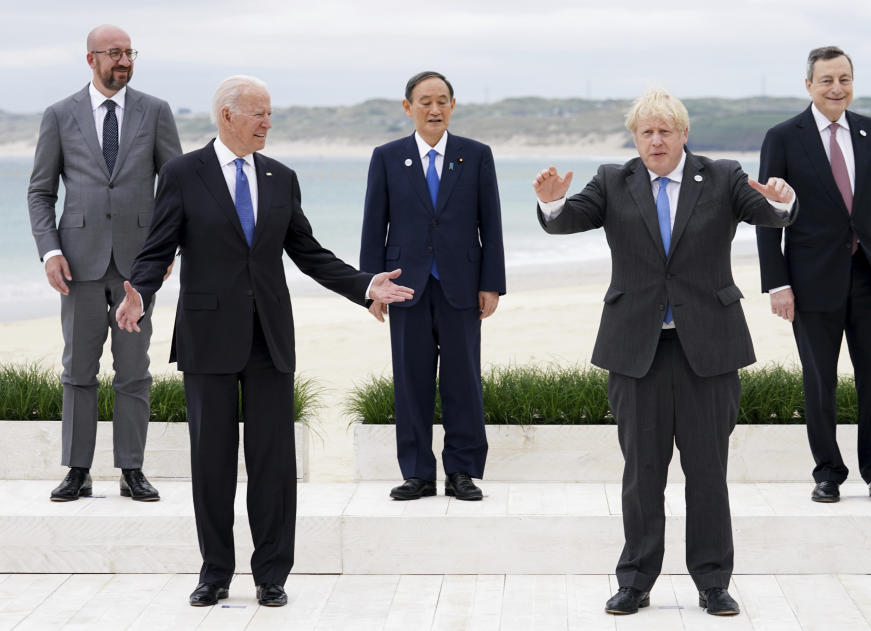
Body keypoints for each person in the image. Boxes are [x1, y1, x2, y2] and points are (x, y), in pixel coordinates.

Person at [115, 75, 413, 607]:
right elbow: (157, 247)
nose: (267, 122)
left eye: (270, 113)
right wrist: (138, 289)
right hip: (207, 335)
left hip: (269, 336)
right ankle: (215, 573)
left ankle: (271, 574)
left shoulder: (281, 176)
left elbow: (309, 251)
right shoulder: (184, 174)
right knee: (212, 460)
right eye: (259, 113)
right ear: (227, 116)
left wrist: (366, 285)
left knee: (273, 462)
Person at [534, 88, 797, 617]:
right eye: (646, 132)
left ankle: (712, 582)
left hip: (710, 348)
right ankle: (635, 580)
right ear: (635, 138)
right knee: (642, 473)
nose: (655, 140)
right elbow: (567, 221)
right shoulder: (613, 180)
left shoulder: (722, 175)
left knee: (707, 472)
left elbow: (769, 215)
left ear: (683, 134)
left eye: (665, 131)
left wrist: (782, 200)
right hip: (636, 349)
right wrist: (551, 201)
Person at [27, 24, 182, 502]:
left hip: (139, 266)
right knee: (78, 369)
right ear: (90, 59)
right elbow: (41, 192)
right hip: (78, 264)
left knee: (134, 370)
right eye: (114, 53)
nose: (124, 61)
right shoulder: (59, 115)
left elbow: (173, 187)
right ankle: (77, 470)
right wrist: (50, 250)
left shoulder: (155, 111)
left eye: (129, 53)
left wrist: (166, 250)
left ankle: (132, 469)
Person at [756, 46, 871, 503]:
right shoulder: (783, 137)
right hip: (810, 281)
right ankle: (828, 473)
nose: (836, 88)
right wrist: (777, 283)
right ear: (808, 85)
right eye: (826, 80)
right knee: (819, 380)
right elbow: (769, 213)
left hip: (869, 274)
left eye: (844, 79)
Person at [360, 71, 506, 501]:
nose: (434, 109)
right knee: (410, 382)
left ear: (453, 106)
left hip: (462, 285)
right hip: (405, 287)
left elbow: (491, 224)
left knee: (463, 381)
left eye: (442, 100)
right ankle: (418, 473)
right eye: (425, 101)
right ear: (408, 107)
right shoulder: (386, 157)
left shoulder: (476, 156)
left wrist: (492, 284)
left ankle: (461, 471)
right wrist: (371, 287)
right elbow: (374, 225)